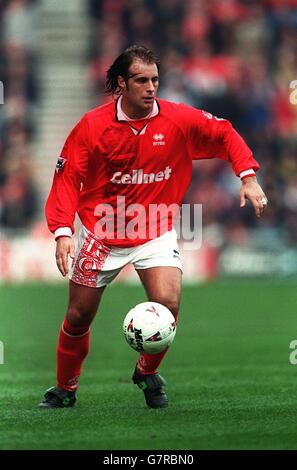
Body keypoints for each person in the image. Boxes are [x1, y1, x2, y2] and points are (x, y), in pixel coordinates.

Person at [38, 45, 267, 409]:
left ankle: (146, 373)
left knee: (169, 303)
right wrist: (63, 231)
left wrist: (248, 177)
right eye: (141, 80)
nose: (150, 88)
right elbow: (67, 179)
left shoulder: (177, 119)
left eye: (155, 80)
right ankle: (66, 389)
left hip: (154, 227)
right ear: (121, 83)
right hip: (102, 233)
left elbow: (223, 133)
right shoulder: (93, 126)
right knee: (78, 316)